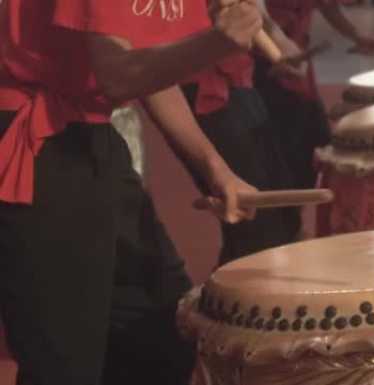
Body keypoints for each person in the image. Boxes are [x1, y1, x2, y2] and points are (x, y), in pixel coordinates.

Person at [0, 0, 264, 384]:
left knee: (158, 333)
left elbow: (145, 63)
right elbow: (119, 75)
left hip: (87, 135)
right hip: (34, 144)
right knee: (63, 365)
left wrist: (215, 170)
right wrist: (217, 43)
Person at [181, 1, 310, 265]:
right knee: (255, 229)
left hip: (240, 79)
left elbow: (250, 7)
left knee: (286, 218)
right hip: (200, 88)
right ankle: (232, 301)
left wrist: (279, 42)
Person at [253, 0, 374, 238]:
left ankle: (288, 226)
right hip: (261, 58)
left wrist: (356, 34)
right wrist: (277, 40)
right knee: (279, 156)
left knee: (314, 144)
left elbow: (326, 3)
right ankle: (279, 231)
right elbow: (251, 8)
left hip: (294, 55)